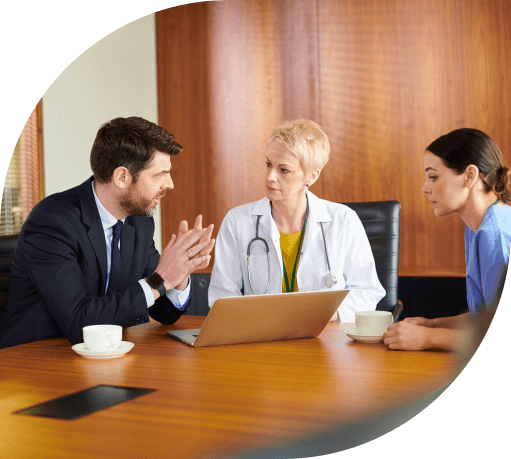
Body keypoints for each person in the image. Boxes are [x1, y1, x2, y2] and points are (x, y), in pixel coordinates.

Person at [0, 116, 215, 349]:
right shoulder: (52, 222)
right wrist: (161, 280)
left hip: (99, 356)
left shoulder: (139, 223)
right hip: (32, 360)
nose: (170, 184)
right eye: (160, 174)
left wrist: (179, 276)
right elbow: (80, 323)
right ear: (122, 177)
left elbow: (161, 311)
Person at [208, 119, 385, 322]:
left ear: (312, 176)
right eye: (268, 164)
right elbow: (221, 295)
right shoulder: (237, 221)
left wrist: (328, 315)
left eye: (283, 170)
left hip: (326, 340)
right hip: (261, 338)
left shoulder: (343, 220)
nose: (270, 177)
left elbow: (367, 291)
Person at [383, 128, 510, 351]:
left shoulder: (495, 233)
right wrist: (431, 325)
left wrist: (427, 338)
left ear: (470, 176)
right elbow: (483, 319)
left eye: (433, 176)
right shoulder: (476, 229)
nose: (425, 187)